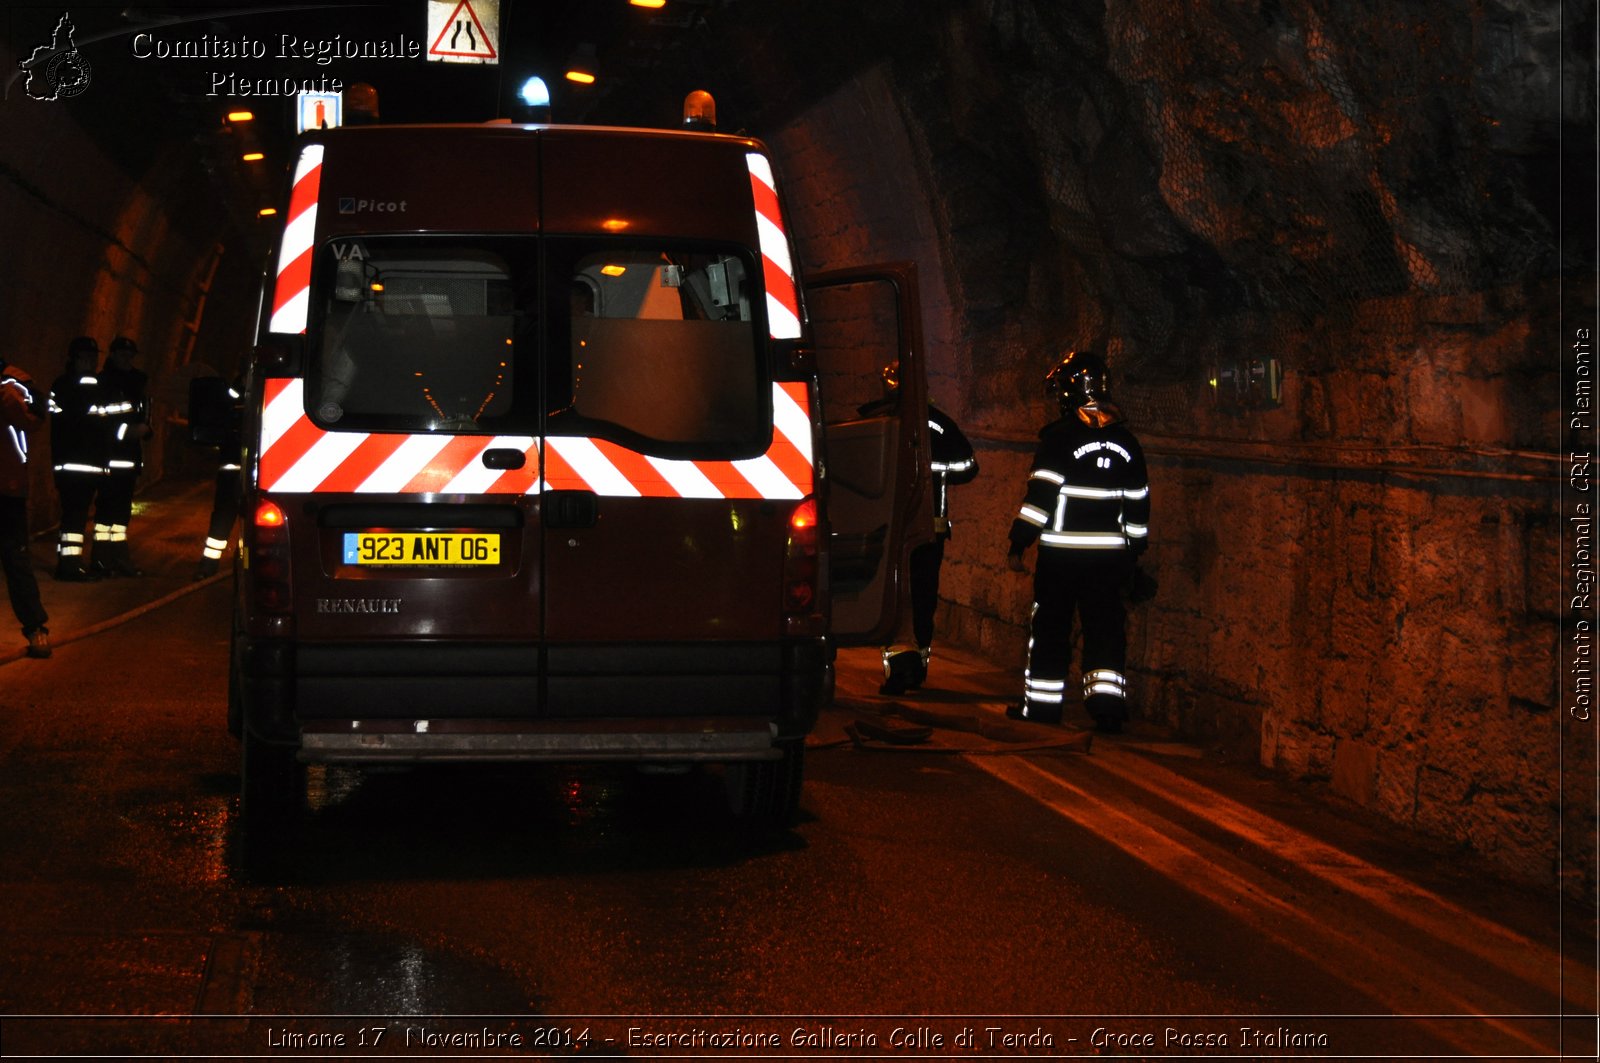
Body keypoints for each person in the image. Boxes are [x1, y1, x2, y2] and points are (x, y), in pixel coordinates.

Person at [1005, 350, 1149, 733]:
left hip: (1062, 559)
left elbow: (1040, 500)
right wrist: (1133, 554)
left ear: (1069, 392)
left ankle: (1042, 709)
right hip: (1110, 562)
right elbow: (1137, 505)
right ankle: (1107, 710)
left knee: (1051, 630)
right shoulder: (1127, 443)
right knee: (1105, 630)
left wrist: (1019, 542)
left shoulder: (1059, 439)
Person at [865, 362, 980, 696]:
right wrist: (940, 471)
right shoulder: (940, 424)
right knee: (924, 597)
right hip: (931, 531)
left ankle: (901, 669)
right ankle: (920, 666)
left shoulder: (880, 420)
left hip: (892, 532)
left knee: (895, 598)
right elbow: (968, 467)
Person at [48, 337, 111, 581]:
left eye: (93, 357)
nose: (91, 362)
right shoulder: (67, 386)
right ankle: (69, 567)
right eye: (86, 357)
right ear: (74, 359)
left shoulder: (93, 386)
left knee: (75, 516)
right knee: (74, 515)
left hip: (89, 463)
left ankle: (67, 561)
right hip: (74, 463)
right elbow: (76, 416)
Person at [0, 353, 51, 657]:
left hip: (7, 488)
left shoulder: (15, 381)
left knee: (16, 562)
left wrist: (6, 394)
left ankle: (35, 628)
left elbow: (34, 417)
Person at [95, 336, 151, 576]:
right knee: (105, 511)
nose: (126, 359)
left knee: (121, 513)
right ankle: (100, 561)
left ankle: (118, 559)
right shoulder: (103, 382)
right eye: (122, 354)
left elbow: (145, 414)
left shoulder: (139, 381)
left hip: (129, 458)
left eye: (130, 355)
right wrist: (128, 432)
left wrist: (147, 429)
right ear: (113, 355)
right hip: (108, 457)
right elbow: (101, 421)